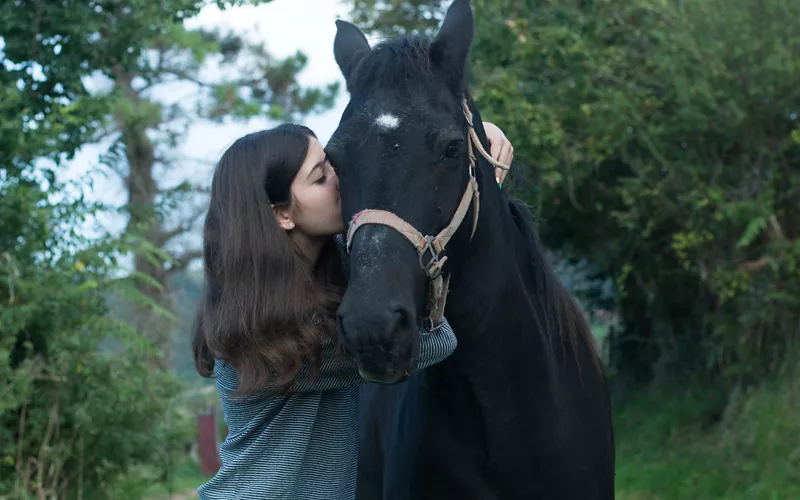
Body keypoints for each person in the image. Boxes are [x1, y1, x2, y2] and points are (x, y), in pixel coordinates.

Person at [191, 120, 514, 500]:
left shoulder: (324, 274)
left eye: (332, 165)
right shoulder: (268, 334)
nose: (340, 178)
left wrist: (469, 136)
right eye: (319, 177)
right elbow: (435, 342)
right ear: (282, 215)